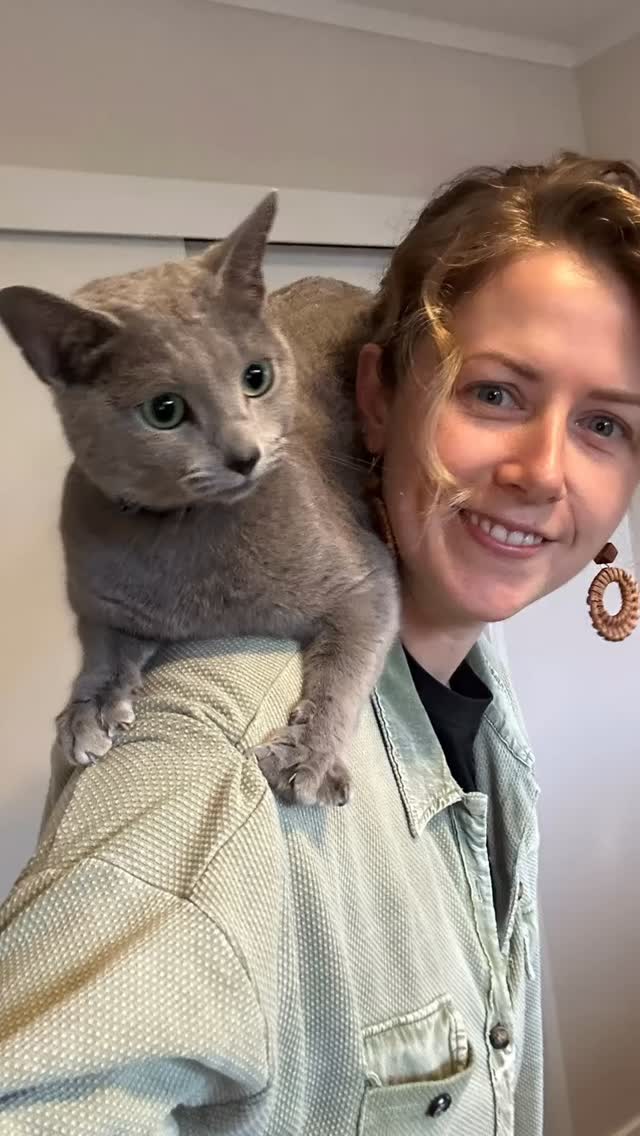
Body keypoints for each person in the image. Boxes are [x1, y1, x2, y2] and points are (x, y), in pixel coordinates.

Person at [2, 153, 640, 1136]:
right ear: (378, 398)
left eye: (605, 423)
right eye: (495, 394)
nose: (543, 471)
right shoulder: (210, 763)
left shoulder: (472, 674)